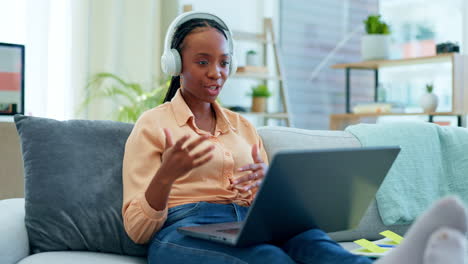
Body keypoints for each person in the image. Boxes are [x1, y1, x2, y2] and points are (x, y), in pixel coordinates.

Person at [122, 11, 467, 264]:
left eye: (225, 62)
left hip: (250, 222)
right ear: (174, 63)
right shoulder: (154, 124)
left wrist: (265, 188)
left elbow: (270, 199)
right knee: (269, 259)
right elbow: (137, 230)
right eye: (202, 62)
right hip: (184, 230)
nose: (217, 73)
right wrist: (167, 174)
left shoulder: (243, 127)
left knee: (315, 242)